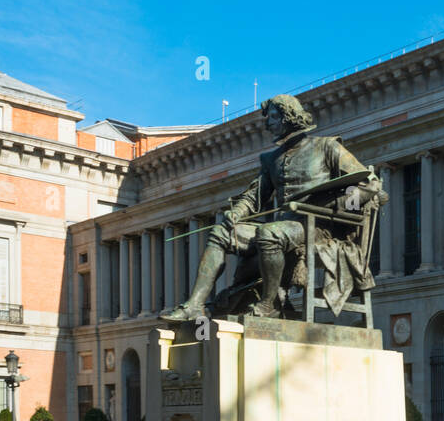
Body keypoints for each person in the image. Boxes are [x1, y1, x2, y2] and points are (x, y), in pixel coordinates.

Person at [162, 94, 381, 322]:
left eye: (274, 117)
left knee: (270, 233)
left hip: (318, 228)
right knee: (221, 233)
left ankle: (270, 304)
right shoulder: (272, 159)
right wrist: (237, 212)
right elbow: (254, 198)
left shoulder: (327, 147)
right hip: (286, 226)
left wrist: (336, 204)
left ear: (290, 117)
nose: (268, 124)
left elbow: (370, 184)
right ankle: (194, 306)